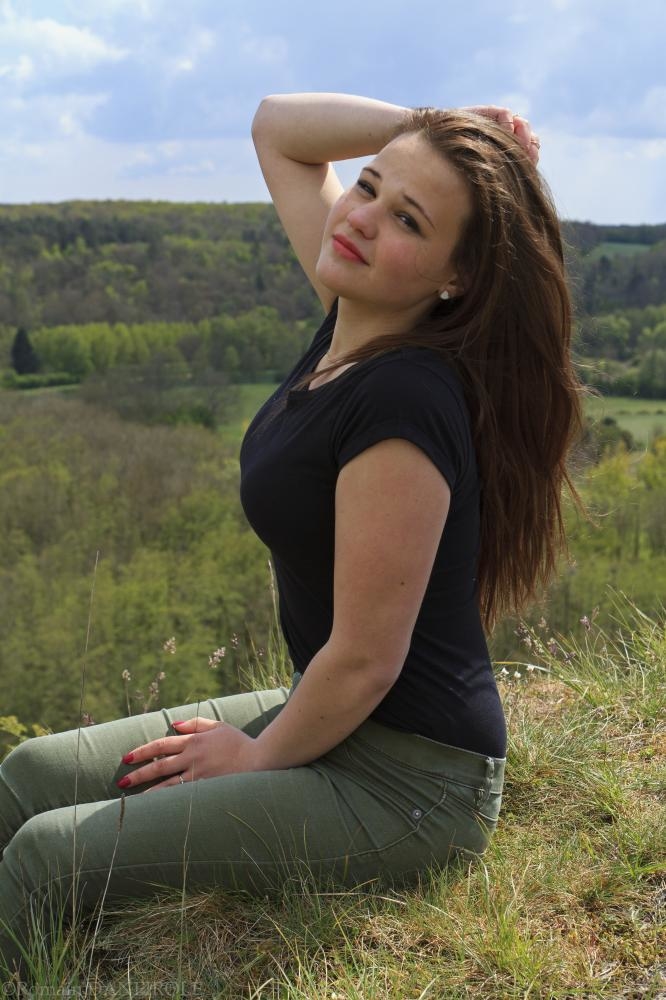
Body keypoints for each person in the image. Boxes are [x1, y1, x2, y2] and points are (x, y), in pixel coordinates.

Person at [0, 93, 582, 978]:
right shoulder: (354, 320)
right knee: (29, 773)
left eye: (409, 220)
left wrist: (256, 757)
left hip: (410, 784)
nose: (362, 217)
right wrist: (440, 122)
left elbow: (367, 659)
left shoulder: (403, 403)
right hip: (343, 724)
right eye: (370, 186)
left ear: (454, 278)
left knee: (49, 855)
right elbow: (278, 129)